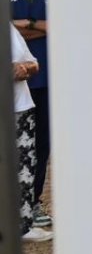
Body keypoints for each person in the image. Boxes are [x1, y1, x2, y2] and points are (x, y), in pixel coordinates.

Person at [9, 0, 51, 229]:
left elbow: (61, 25)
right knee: (14, 145)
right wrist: (41, 27)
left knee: (42, 144)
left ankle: (32, 202)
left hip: (45, 79)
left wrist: (24, 24)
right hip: (14, 86)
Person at [11, 23, 49, 242]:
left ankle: (24, 227)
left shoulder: (9, 29)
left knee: (25, 168)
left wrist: (25, 68)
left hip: (22, 106)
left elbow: (34, 62)